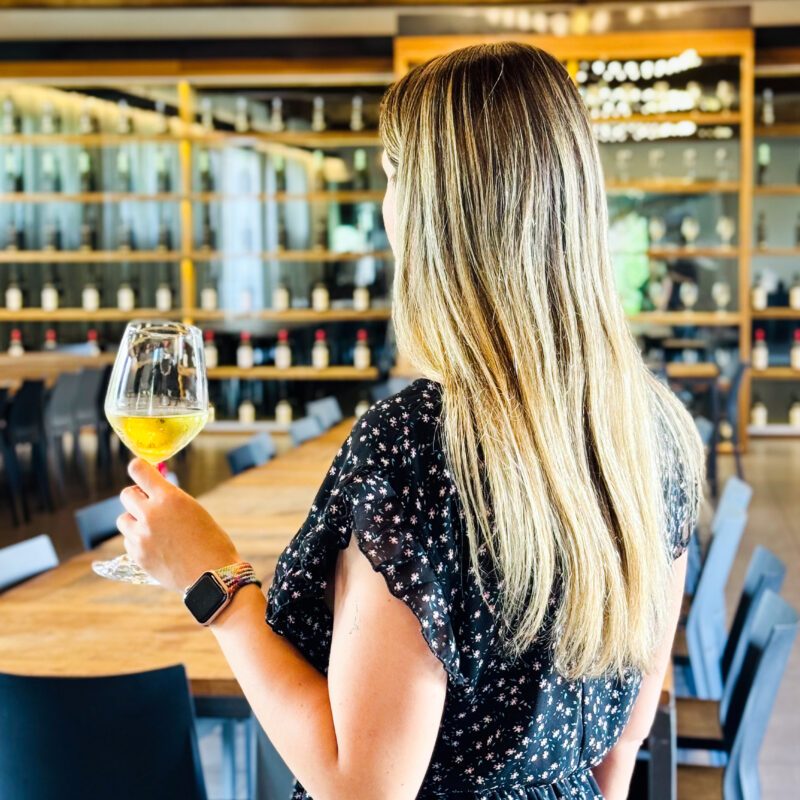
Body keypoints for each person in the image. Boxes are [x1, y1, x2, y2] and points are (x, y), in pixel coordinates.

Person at [118, 42, 705, 800]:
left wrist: (215, 582)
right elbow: (620, 753)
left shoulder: (417, 446)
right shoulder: (653, 433)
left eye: (392, 177)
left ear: (436, 209)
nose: (382, 204)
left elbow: (360, 788)